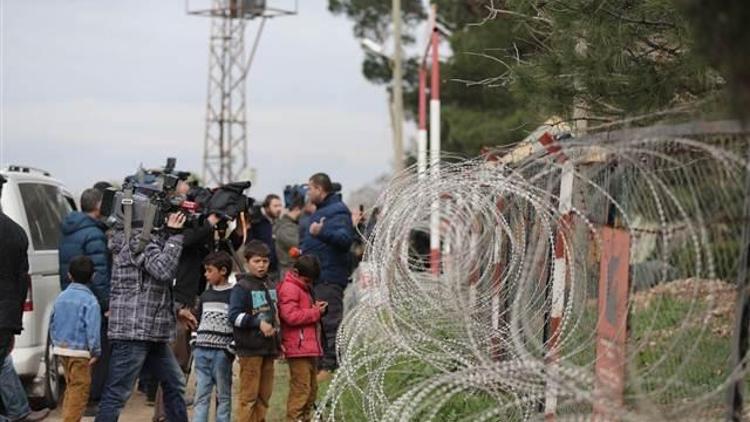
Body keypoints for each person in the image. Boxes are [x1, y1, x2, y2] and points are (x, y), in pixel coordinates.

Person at [95, 213, 188, 422]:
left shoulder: (142, 238)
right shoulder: (137, 238)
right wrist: (174, 236)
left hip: (150, 329)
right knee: (117, 394)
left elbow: (153, 285)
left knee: (174, 383)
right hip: (134, 330)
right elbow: (164, 270)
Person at [0, 175, 49, 422]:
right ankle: (19, 413)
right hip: (5, 319)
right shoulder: (17, 233)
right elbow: (21, 285)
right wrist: (13, 326)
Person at [58, 187, 111, 413]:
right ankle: (92, 399)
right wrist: (107, 304)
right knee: (95, 351)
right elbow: (99, 273)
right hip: (91, 300)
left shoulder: (68, 229)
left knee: (75, 351)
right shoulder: (94, 234)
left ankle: (78, 398)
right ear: (99, 206)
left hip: (70, 296)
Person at [299, 173, 353, 380]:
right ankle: (322, 364)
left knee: (330, 323)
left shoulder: (337, 212)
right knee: (319, 323)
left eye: (310, 189)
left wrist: (321, 233)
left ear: (320, 189)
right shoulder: (323, 211)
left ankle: (331, 367)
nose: (308, 193)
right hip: (318, 278)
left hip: (329, 277)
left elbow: (345, 239)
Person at [228, 241, 281, 422]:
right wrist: (257, 323)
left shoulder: (271, 284)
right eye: (257, 261)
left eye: (265, 261)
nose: (261, 265)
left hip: (269, 348)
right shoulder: (242, 287)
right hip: (250, 349)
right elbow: (234, 316)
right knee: (248, 398)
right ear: (247, 262)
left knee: (264, 397)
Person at [50, 256, 101, 422]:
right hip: (81, 351)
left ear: (69, 275)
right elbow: (92, 329)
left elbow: (53, 321)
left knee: (71, 386)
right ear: (93, 276)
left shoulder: (60, 297)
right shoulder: (91, 301)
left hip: (61, 348)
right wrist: (95, 350)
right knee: (80, 389)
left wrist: (55, 342)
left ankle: (68, 417)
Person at [277, 255, 326, 422]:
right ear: (296, 272)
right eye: (306, 280)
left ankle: (304, 418)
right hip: (297, 347)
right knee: (301, 389)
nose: (309, 283)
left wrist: (315, 309)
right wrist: (315, 312)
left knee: (311, 389)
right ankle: (294, 418)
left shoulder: (303, 288)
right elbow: (290, 316)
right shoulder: (290, 288)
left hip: (308, 346)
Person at [192, 251, 235, 422]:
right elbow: (197, 319)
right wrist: (194, 341)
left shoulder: (234, 295)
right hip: (201, 351)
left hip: (221, 353)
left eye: (209, 270)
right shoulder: (205, 295)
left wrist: (231, 349)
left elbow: (238, 325)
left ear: (223, 271)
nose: (206, 274)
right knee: (201, 395)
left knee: (223, 396)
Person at [249, 194, 283, 277]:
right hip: (261, 267)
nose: (279, 209)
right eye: (275, 206)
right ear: (267, 207)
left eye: (280, 205)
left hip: (275, 267)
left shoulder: (278, 222)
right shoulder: (257, 222)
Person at [274, 195, 304, 279]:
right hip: (290, 274)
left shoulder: (292, 225)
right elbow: (299, 244)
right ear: (297, 209)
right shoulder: (286, 228)